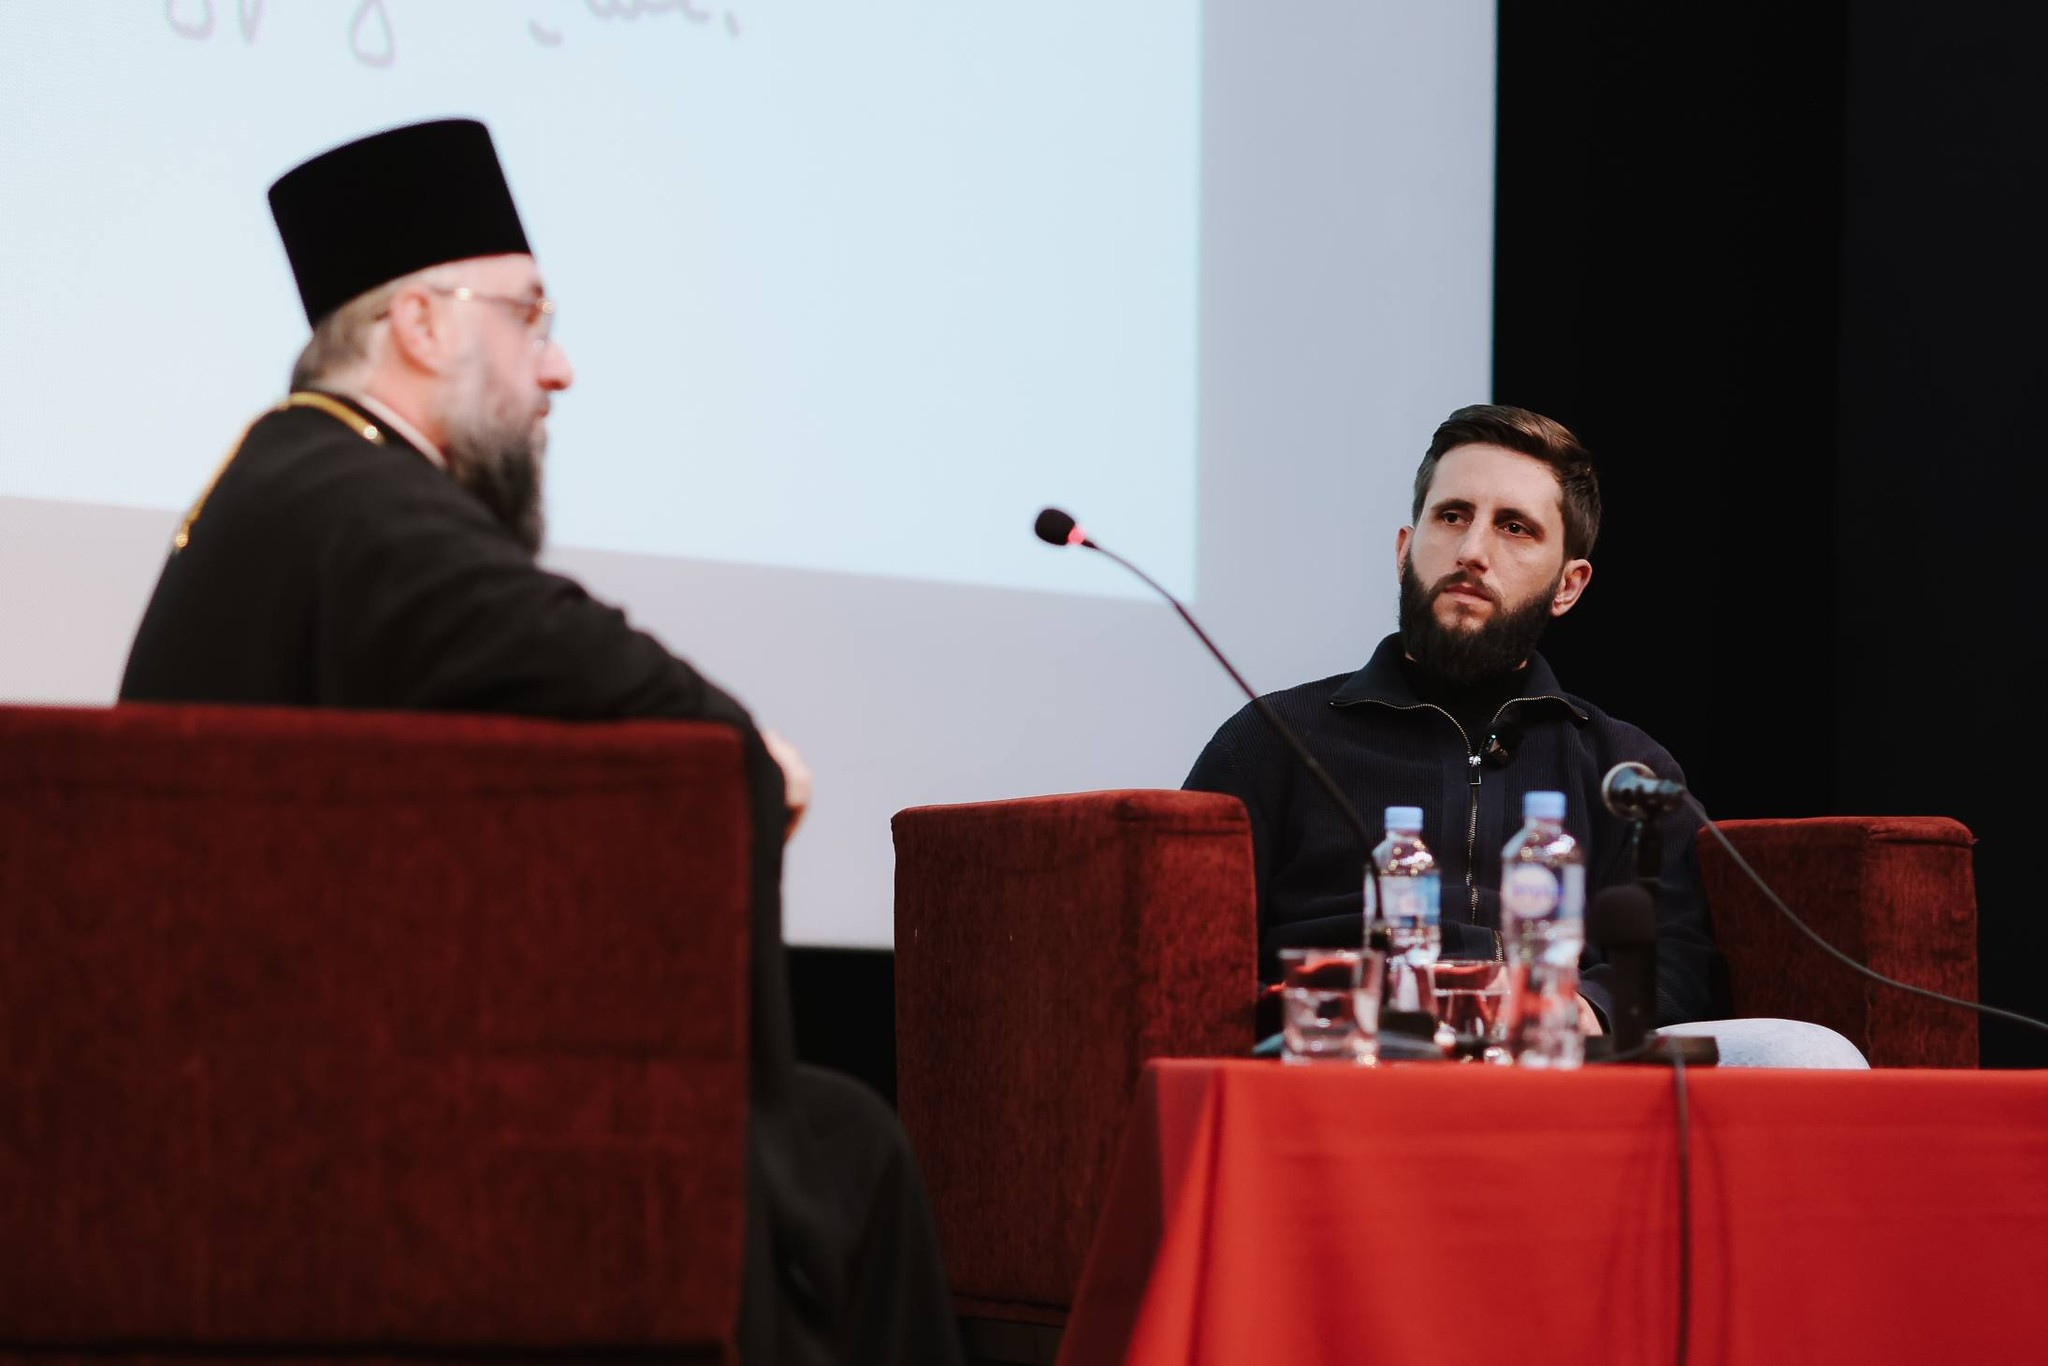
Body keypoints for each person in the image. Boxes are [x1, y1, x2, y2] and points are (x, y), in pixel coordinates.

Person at [120, 118, 964, 1364]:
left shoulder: (292, 475)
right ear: (420, 324)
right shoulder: (367, 508)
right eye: (529, 318)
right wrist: (750, 757)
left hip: (252, 1096)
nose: (558, 367)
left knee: (842, 1134)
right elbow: (668, 714)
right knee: (848, 1147)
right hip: (330, 1135)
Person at [1185, 403, 1867, 1066]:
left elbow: (1679, 958)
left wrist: (1590, 1008)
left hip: (1560, 1062)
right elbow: (1191, 948)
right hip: (1351, 1055)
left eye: (1514, 528)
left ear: (1568, 585)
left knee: (1809, 1054)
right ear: (1404, 549)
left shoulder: (1624, 768)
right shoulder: (1274, 739)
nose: (1472, 551)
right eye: (1452, 516)